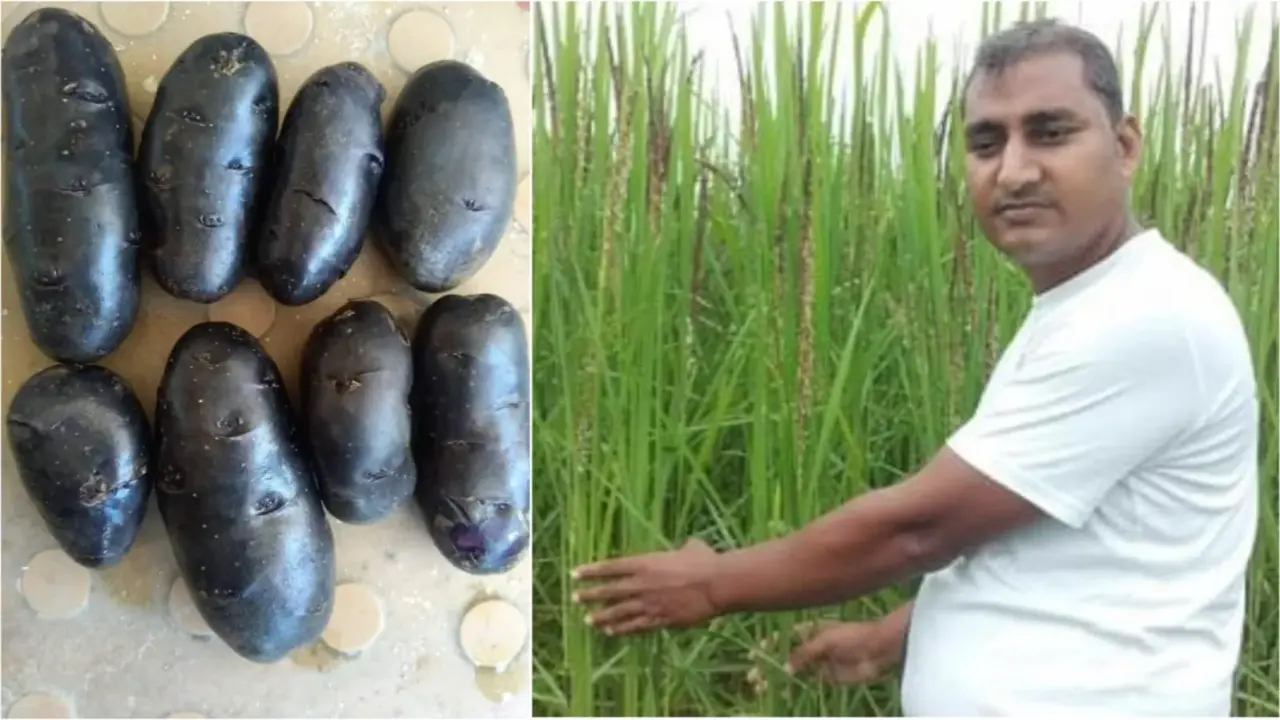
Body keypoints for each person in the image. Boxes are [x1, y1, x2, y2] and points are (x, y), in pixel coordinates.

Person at [569, 18, 1260, 716]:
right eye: (986, 142)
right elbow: (1050, 538)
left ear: (1125, 145)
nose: (1013, 170)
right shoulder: (1086, 307)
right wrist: (894, 637)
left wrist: (714, 584)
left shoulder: (1145, 316)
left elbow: (919, 529)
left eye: (1050, 132)